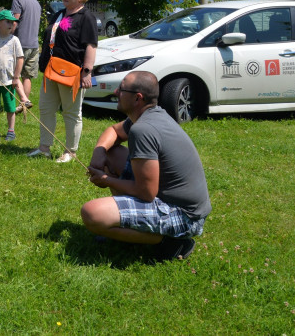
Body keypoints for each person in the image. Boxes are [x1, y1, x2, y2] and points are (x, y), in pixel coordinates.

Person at [81, 70, 211, 261]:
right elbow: (113, 131)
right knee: (111, 153)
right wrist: (99, 151)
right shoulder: (150, 115)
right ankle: (131, 227)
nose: (116, 91)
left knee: (92, 213)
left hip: (185, 217)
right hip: (178, 201)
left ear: (137, 99)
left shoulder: (143, 129)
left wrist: (106, 180)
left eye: (122, 89)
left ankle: (172, 242)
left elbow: (146, 192)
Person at [29, 0, 98, 163]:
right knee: (46, 109)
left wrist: (87, 72)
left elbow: (91, 46)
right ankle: (44, 148)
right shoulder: (59, 14)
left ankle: (71, 151)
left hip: (72, 72)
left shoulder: (86, 17)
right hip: (51, 71)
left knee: (71, 113)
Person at [0, 10, 27, 142]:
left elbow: (20, 59)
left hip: (9, 81)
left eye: (13, 22)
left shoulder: (14, 40)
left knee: (10, 107)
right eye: (8, 21)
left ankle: (11, 130)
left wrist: (16, 77)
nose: (11, 24)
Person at [10, 0, 41, 99]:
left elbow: (14, 22)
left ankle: (14, 102)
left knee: (14, 75)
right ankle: (24, 103)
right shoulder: (36, 2)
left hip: (20, 44)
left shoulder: (18, 0)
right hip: (34, 45)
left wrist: (6, 38)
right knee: (27, 76)